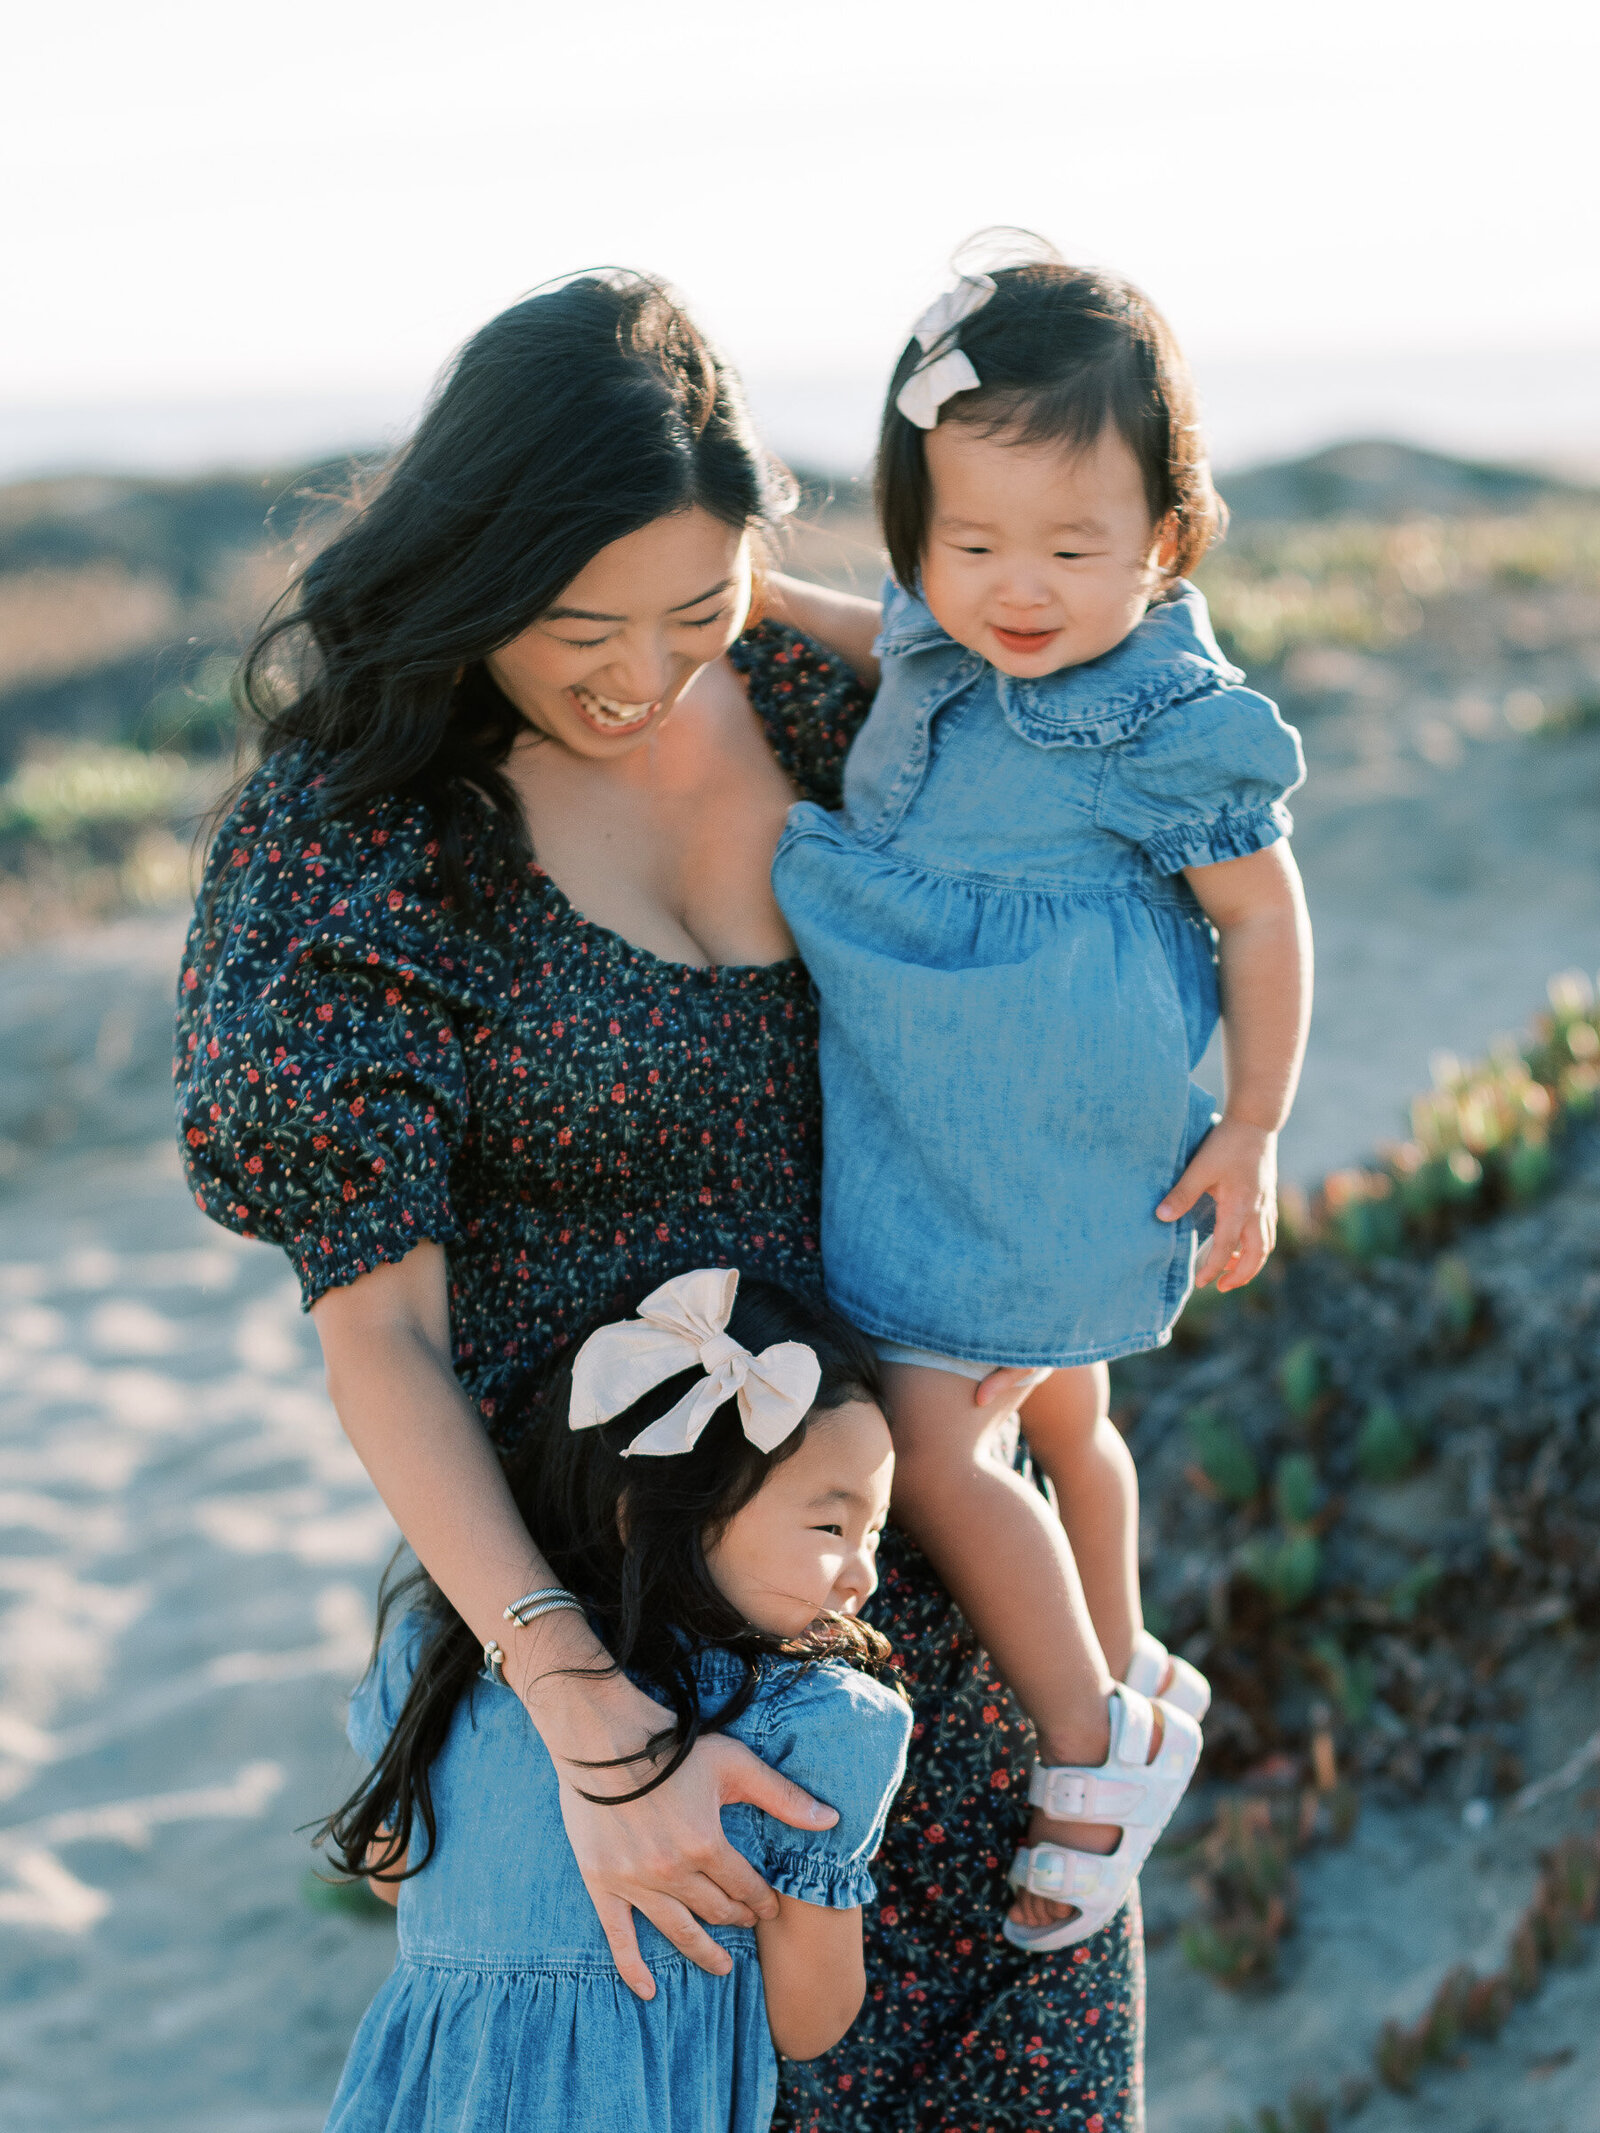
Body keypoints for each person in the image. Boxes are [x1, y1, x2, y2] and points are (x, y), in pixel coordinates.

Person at [175, 267, 1147, 2133]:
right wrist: (587, 1723)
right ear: (467, 574)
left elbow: (1126, 708)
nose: (637, 675)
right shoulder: (359, 832)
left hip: (942, 1612)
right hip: (635, 1675)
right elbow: (380, 1335)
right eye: (572, 622)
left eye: (690, 607)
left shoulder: (821, 696)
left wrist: (1092, 1596)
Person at [773, 240, 1313, 1951]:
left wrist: (1253, 1121)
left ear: (1165, 538)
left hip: (1046, 1128)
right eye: (970, 539)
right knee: (1069, 1417)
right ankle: (1134, 1652)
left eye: (1075, 549)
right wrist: (774, 603)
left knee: (939, 1443)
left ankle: (1091, 1744)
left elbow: (1263, 914)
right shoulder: (954, 619)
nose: (1016, 589)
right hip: (968, 1111)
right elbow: (909, 645)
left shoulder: (1168, 710)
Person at [320, 1270, 910, 2132]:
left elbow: (390, 1876)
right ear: (655, 1511)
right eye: (831, 1526)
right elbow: (808, 2020)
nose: (863, 1571)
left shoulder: (440, 1653)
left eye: (875, 1532)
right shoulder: (809, 1722)